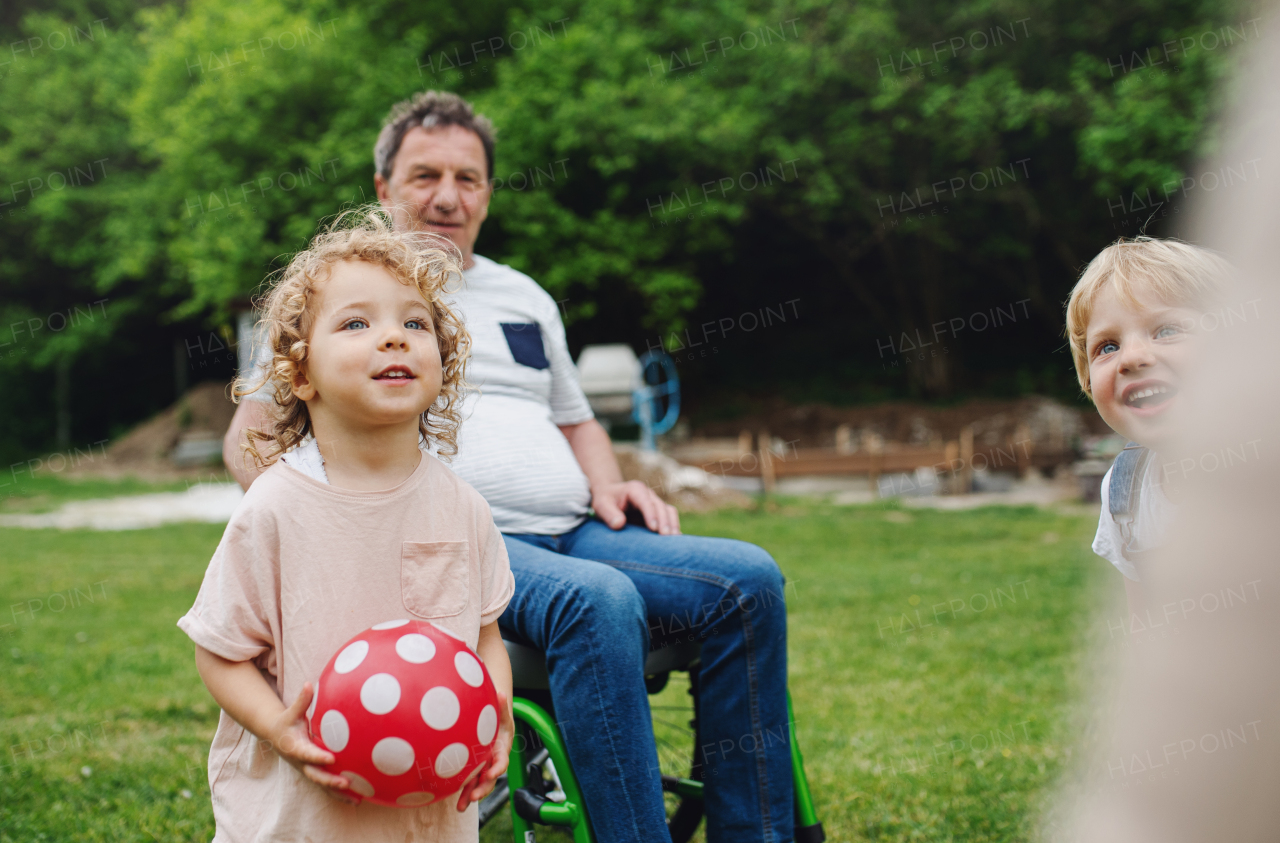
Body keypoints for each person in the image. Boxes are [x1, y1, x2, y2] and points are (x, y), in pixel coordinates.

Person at [224, 90, 796, 843]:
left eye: (469, 178)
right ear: (384, 189)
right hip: (452, 544)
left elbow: (576, 418)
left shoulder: (525, 295)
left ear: (488, 193)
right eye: (425, 175)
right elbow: (250, 433)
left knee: (747, 580)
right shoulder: (347, 297)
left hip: (580, 527)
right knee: (599, 600)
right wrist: (321, 524)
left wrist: (609, 483)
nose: (448, 196)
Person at [184, 209, 516, 842]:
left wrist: (493, 719)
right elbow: (219, 652)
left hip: (431, 817)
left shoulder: (462, 505)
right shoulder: (274, 509)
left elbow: (485, 639)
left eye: (414, 323)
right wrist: (278, 727)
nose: (394, 338)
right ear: (300, 374)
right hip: (308, 818)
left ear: (441, 362)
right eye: (357, 323)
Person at [1064, 236, 1231, 616]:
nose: (1133, 358)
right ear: (1088, 381)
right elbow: (1144, 626)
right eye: (1107, 346)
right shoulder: (1126, 492)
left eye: (1167, 330)